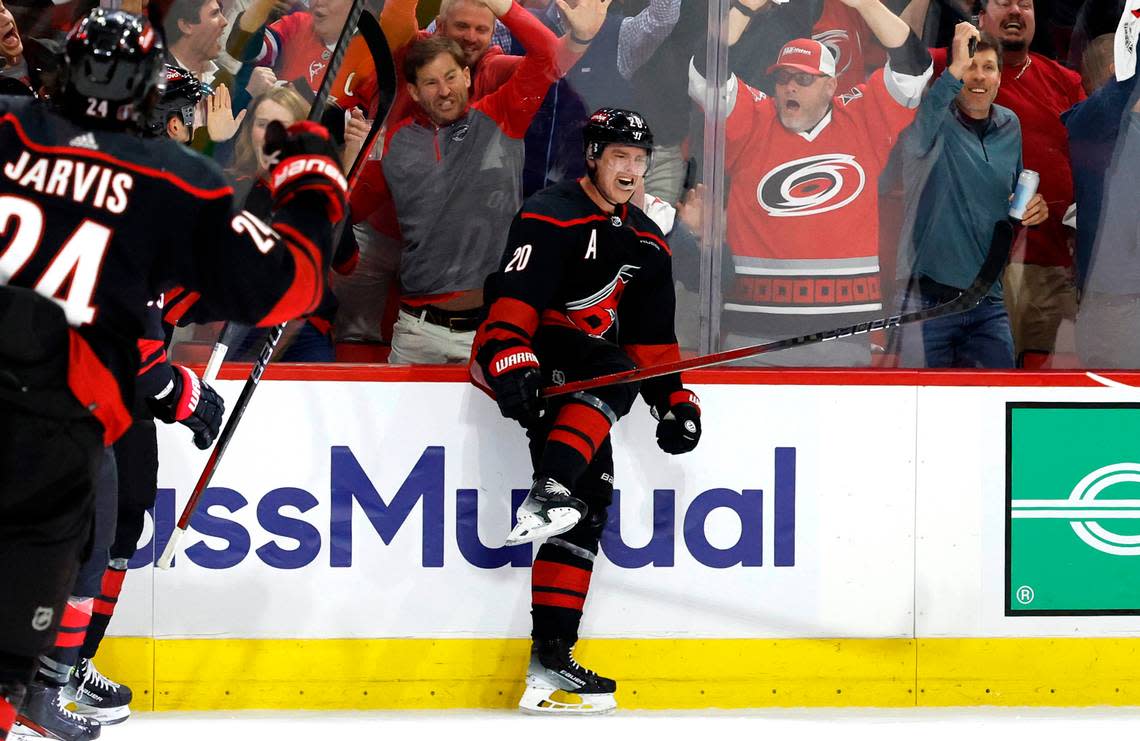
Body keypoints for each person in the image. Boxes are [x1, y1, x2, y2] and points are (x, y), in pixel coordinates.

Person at [0, 10, 347, 741]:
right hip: (48, 441)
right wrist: (313, 179)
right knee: (7, 657)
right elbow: (294, 283)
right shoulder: (172, 180)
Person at [470, 108, 702, 715]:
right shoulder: (550, 212)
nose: (630, 169)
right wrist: (508, 356)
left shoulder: (648, 240)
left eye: (639, 159)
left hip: (589, 369)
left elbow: (653, 339)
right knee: (612, 371)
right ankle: (548, 490)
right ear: (594, 158)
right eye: (619, 157)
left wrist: (674, 399)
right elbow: (515, 297)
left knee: (590, 510)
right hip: (539, 356)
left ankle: (550, 662)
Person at [689, 0, 932, 366]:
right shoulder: (753, 117)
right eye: (782, 78)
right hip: (752, 336)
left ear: (831, 85)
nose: (790, 87)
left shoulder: (862, 121)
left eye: (803, 79)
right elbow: (705, 74)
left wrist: (866, 5)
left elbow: (913, 69)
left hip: (842, 335)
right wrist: (742, 7)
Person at [378, 0, 570, 365]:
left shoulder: (503, 114)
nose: (444, 90)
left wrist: (502, 5)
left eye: (451, 77)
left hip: (490, 331)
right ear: (415, 92)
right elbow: (350, 212)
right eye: (431, 83)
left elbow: (549, 54)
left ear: (467, 76)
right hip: (416, 332)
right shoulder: (394, 143)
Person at [895, 24, 1047, 368]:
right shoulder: (931, 121)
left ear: (999, 76)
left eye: (988, 67)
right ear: (954, 72)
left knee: (996, 406)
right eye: (970, 67)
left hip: (988, 301)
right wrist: (953, 67)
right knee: (923, 412)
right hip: (927, 302)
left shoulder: (1011, 124)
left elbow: (1012, 199)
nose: (978, 77)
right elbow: (915, 140)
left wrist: (1031, 210)